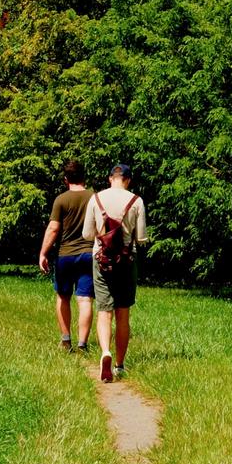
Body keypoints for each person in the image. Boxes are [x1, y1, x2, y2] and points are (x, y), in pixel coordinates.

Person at [82, 162, 146, 383]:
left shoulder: (96, 199)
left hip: (101, 261)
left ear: (110, 178)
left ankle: (105, 352)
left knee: (104, 311)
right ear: (127, 180)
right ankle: (119, 365)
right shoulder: (136, 201)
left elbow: (88, 234)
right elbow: (142, 237)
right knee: (123, 313)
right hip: (127, 262)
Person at [37, 159, 95, 351]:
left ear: (65, 179)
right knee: (85, 299)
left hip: (65, 255)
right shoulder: (94, 198)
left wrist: (43, 253)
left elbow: (53, 229)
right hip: (88, 254)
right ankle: (82, 344)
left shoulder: (61, 200)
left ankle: (66, 340)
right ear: (84, 177)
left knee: (63, 296)